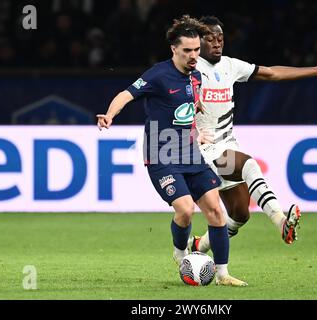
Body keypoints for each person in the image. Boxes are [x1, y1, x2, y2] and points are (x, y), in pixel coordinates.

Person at [96, 15, 247, 286]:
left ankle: (223, 275)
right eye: (187, 50)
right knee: (186, 209)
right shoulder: (158, 74)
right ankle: (180, 253)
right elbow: (126, 94)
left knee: (216, 211)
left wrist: (196, 128)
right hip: (162, 155)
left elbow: (190, 105)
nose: (193, 55)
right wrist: (109, 114)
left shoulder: (197, 77)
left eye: (197, 50)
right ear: (174, 49)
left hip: (191, 153)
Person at [189, 16, 317, 253]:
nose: (217, 43)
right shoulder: (189, 69)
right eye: (210, 39)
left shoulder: (230, 66)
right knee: (248, 164)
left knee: (239, 215)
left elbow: (272, 73)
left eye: (220, 38)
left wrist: (316, 69)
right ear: (198, 42)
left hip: (227, 143)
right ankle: (281, 221)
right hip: (202, 148)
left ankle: (198, 247)